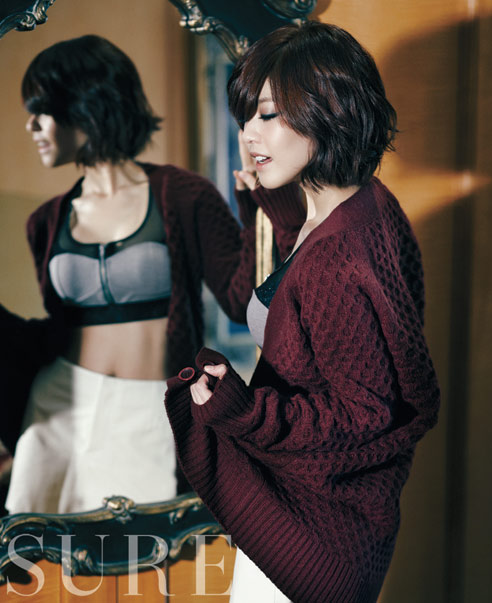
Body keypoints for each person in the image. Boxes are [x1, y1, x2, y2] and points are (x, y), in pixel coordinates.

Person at [164, 21, 440, 603]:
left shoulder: (337, 257)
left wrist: (244, 412)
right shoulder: (365, 205)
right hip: (317, 528)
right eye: (246, 116)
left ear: (328, 110)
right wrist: (280, 214)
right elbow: (325, 310)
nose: (248, 133)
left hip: (313, 545)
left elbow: (366, 413)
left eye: (268, 114)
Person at [0, 34, 304, 515]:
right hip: (60, 405)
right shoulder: (45, 221)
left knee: (148, 551)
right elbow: (57, 330)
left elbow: (238, 301)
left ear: (85, 105)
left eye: (41, 110)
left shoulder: (184, 195)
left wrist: (255, 209)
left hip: (152, 411)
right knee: (44, 550)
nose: (30, 125)